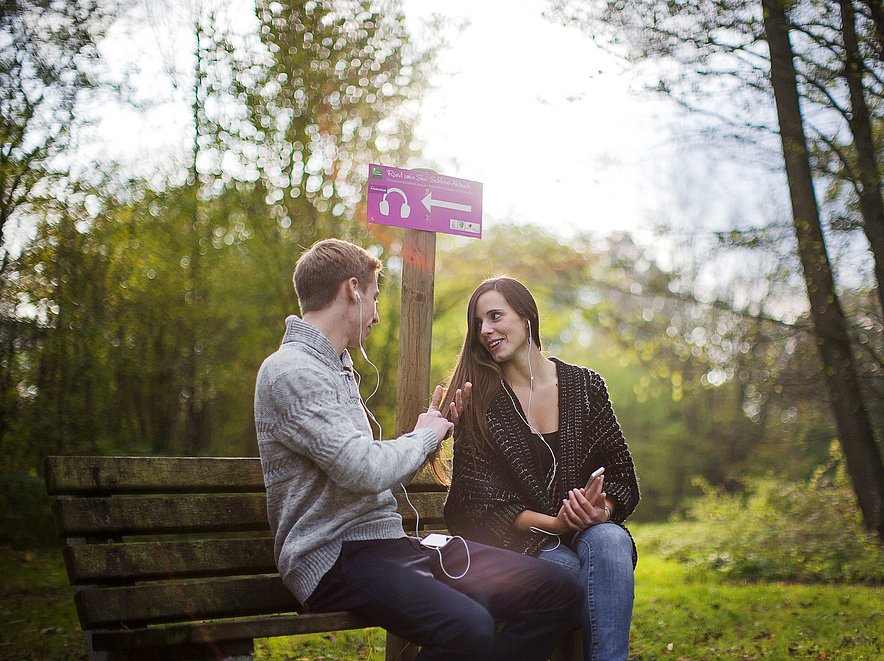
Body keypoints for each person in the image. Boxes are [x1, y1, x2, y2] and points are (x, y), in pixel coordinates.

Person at [254, 240, 582, 661]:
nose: (375, 314)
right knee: (470, 627)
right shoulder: (291, 371)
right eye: (374, 298)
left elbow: (368, 474)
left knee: (557, 590)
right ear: (352, 290)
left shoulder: (336, 366)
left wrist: (436, 432)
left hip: (390, 546)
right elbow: (362, 471)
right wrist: (422, 436)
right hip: (335, 556)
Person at [441, 276, 640, 661]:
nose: (485, 331)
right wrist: (555, 524)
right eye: (478, 323)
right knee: (566, 573)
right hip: (521, 542)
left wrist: (604, 510)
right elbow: (476, 504)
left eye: (495, 316)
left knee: (611, 539)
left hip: (588, 530)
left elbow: (620, 473)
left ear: (526, 315)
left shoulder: (585, 386)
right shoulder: (480, 401)